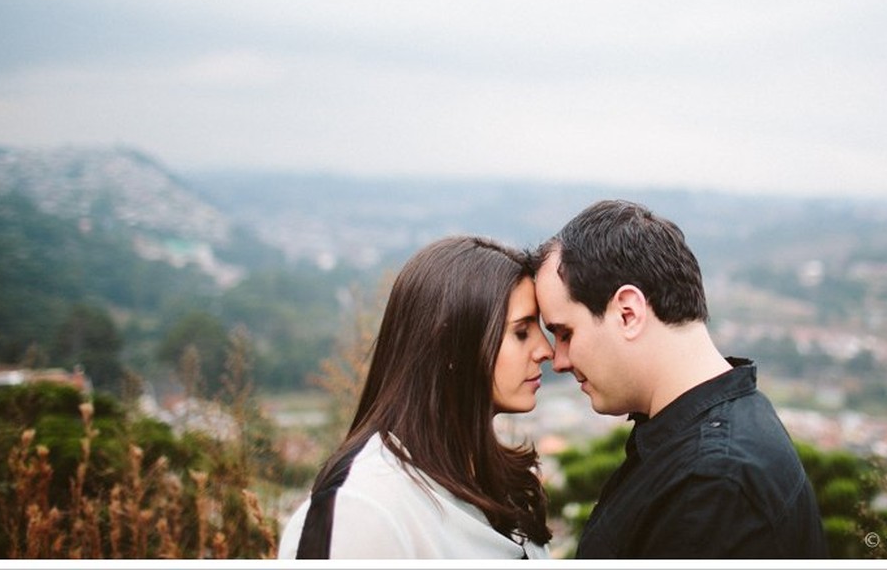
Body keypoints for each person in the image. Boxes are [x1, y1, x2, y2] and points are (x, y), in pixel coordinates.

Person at [533, 200, 829, 559]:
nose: (558, 361)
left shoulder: (713, 485)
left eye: (564, 333)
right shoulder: (704, 443)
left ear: (628, 313)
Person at [278, 236, 554, 559]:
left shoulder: (506, 487)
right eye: (521, 332)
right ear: (453, 346)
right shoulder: (361, 510)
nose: (545, 350)